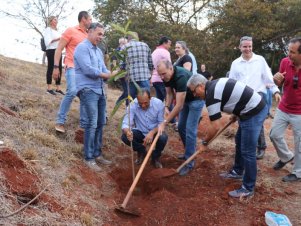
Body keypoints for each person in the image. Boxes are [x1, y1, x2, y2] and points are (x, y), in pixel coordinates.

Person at [187, 74, 268, 198]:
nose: (194, 94)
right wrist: (236, 112)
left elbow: (215, 126)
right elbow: (235, 96)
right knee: (240, 141)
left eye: (194, 91)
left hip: (253, 112)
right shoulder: (213, 85)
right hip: (248, 109)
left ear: (201, 86)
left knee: (248, 151)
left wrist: (205, 143)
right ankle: (237, 171)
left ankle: (247, 188)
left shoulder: (211, 95)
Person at [229, 36, 281, 159]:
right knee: (245, 124)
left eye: (250, 46)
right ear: (240, 47)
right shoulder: (235, 63)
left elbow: (268, 78)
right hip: (242, 99)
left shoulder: (260, 60)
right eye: (245, 46)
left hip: (258, 97)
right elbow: (232, 83)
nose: (248, 49)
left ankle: (260, 148)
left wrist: (275, 92)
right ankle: (243, 150)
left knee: (256, 123)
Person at [74, 23, 116, 171]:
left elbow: (104, 69)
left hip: (100, 90)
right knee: (91, 123)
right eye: (99, 34)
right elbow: (88, 69)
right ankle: (89, 157)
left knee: (100, 122)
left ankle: (97, 154)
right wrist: (106, 74)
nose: (101, 37)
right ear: (90, 32)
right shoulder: (82, 48)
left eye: (102, 34)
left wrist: (111, 73)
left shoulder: (98, 51)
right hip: (88, 90)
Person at [157, 60, 204, 176]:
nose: (162, 77)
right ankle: (189, 151)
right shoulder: (166, 77)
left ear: (171, 69)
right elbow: (169, 94)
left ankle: (189, 162)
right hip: (185, 101)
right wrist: (166, 106)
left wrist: (165, 122)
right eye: (160, 74)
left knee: (190, 130)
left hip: (195, 101)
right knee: (181, 126)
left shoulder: (181, 77)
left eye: (164, 74)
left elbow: (179, 106)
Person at [53, 11, 92, 133]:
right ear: (83, 19)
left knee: (85, 95)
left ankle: (83, 126)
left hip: (85, 71)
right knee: (72, 91)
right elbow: (59, 48)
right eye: (90, 19)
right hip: (71, 66)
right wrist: (56, 66)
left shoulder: (88, 35)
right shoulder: (71, 30)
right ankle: (60, 121)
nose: (91, 21)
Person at [270, 37, 301, 182]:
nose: (289, 54)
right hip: (283, 107)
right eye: (289, 50)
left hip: (299, 112)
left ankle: (297, 172)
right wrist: (276, 80)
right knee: (274, 134)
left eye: (292, 52)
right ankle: (286, 156)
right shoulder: (285, 62)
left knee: (299, 143)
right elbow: (278, 81)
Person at [121, 89, 168, 168]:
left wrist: (152, 133)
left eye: (145, 103)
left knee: (163, 137)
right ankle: (142, 151)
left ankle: (155, 157)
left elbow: (161, 123)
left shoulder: (158, 104)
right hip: (140, 132)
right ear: (137, 100)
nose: (143, 106)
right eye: (140, 103)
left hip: (155, 132)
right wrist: (127, 132)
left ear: (150, 98)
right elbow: (126, 123)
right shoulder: (132, 105)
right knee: (124, 137)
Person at [124, 32, 153, 99]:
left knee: (131, 101)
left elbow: (122, 65)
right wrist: (150, 76)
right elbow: (150, 63)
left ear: (128, 38)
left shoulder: (125, 47)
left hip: (131, 79)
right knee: (145, 100)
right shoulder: (145, 46)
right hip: (144, 77)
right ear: (137, 38)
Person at [43, 16, 64, 95]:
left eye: (57, 20)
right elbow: (47, 42)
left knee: (59, 69)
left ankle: (58, 88)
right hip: (51, 50)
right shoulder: (48, 30)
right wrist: (59, 39)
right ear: (51, 21)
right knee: (51, 68)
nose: (56, 21)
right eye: (55, 20)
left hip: (58, 50)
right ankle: (49, 88)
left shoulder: (57, 31)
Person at [151, 36, 172, 102]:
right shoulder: (165, 52)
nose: (169, 46)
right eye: (169, 44)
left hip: (154, 79)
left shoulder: (154, 52)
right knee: (168, 99)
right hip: (162, 79)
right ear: (164, 43)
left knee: (159, 101)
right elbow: (169, 66)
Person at [113, 37, 129, 106]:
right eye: (123, 43)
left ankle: (127, 105)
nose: (125, 44)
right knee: (126, 91)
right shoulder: (117, 51)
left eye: (125, 43)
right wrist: (117, 69)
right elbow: (114, 61)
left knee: (128, 90)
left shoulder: (126, 50)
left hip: (127, 72)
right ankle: (118, 102)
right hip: (121, 72)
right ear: (120, 43)